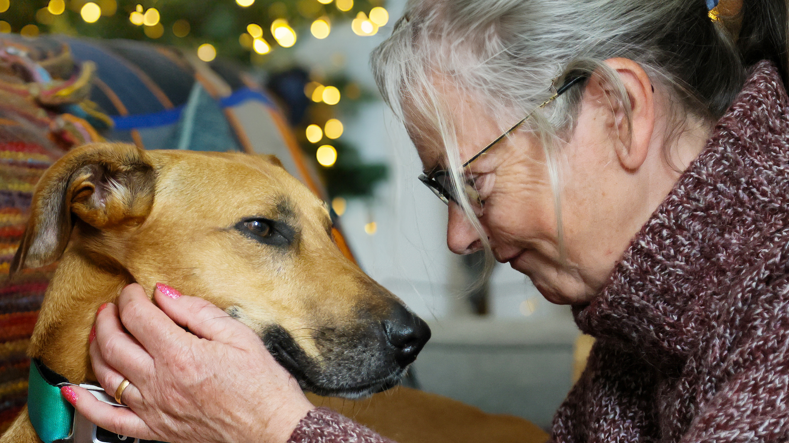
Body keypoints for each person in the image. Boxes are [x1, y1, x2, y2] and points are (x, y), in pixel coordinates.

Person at [63, 0, 789, 441]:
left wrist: (275, 429)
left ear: (615, 111)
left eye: (471, 181)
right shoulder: (653, 306)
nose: (459, 235)